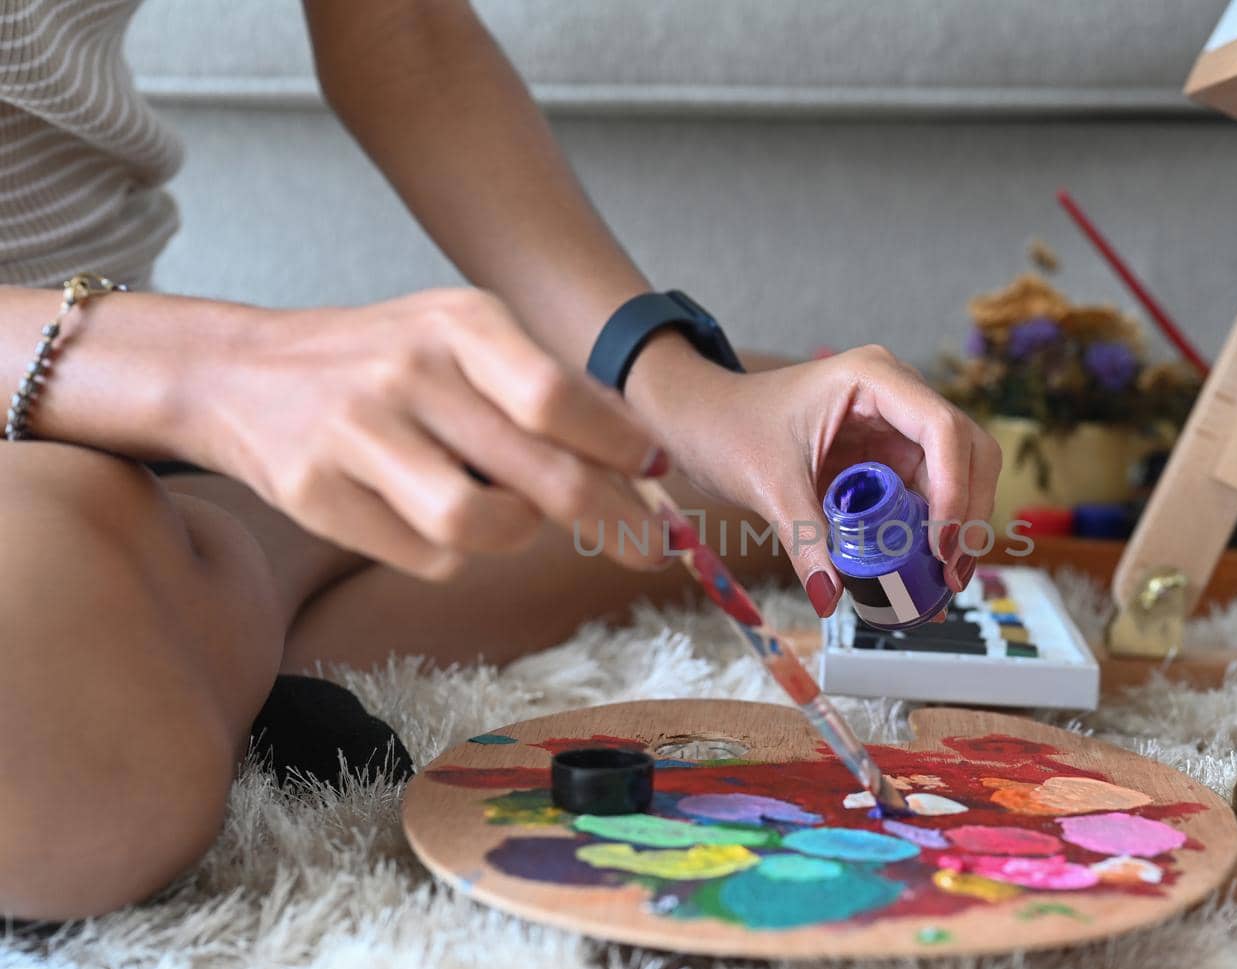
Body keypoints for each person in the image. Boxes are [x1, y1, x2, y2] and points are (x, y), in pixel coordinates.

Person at [0, 0, 1001, 921]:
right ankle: (215, 538)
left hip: (96, 412)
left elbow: (403, 29)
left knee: (725, 479)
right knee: (62, 752)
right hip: (108, 415)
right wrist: (206, 370)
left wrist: (679, 386)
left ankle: (187, 568)